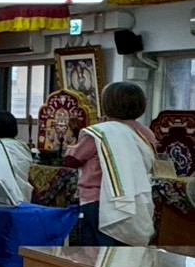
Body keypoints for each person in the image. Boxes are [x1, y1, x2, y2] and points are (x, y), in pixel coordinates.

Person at [65, 82, 157, 246]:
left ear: (107, 104)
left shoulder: (100, 132)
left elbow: (72, 160)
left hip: (96, 200)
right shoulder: (146, 133)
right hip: (133, 200)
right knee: (122, 251)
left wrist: (71, 143)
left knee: (94, 252)